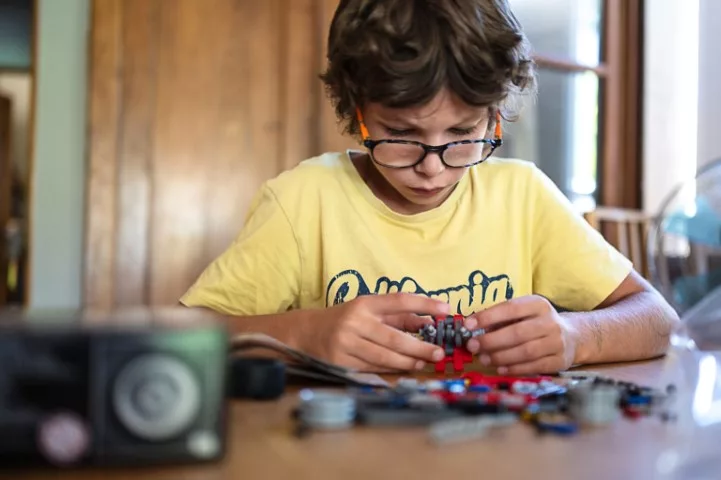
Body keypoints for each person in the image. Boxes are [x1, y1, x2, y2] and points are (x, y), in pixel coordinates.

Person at [180, 0, 679, 374]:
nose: (433, 169)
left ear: (494, 119)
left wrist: (576, 337)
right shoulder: (303, 201)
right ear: (358, 113)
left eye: (462, 135)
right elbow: (178, 337)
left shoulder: (522, 197)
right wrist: (305, 332)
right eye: (401, 135)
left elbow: (657, 319)